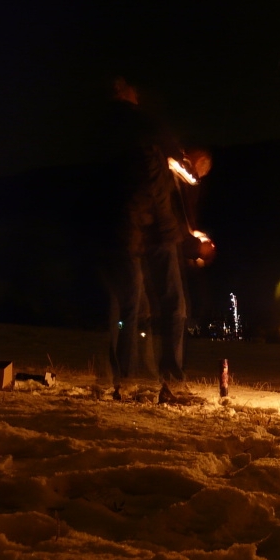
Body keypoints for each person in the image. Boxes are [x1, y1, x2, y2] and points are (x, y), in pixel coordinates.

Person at [101, 77, 213, 394]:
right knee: (172, 306)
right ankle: (169, 379)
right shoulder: (144, 125)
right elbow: (176, 174)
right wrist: (190, 167)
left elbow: (167, 178)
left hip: (130, 229)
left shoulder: (107, 133)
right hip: (150, 229)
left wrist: (189, 233)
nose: (137, 92)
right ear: (123, 92)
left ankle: (126, 379)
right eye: (130, 87)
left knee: (133, 307)